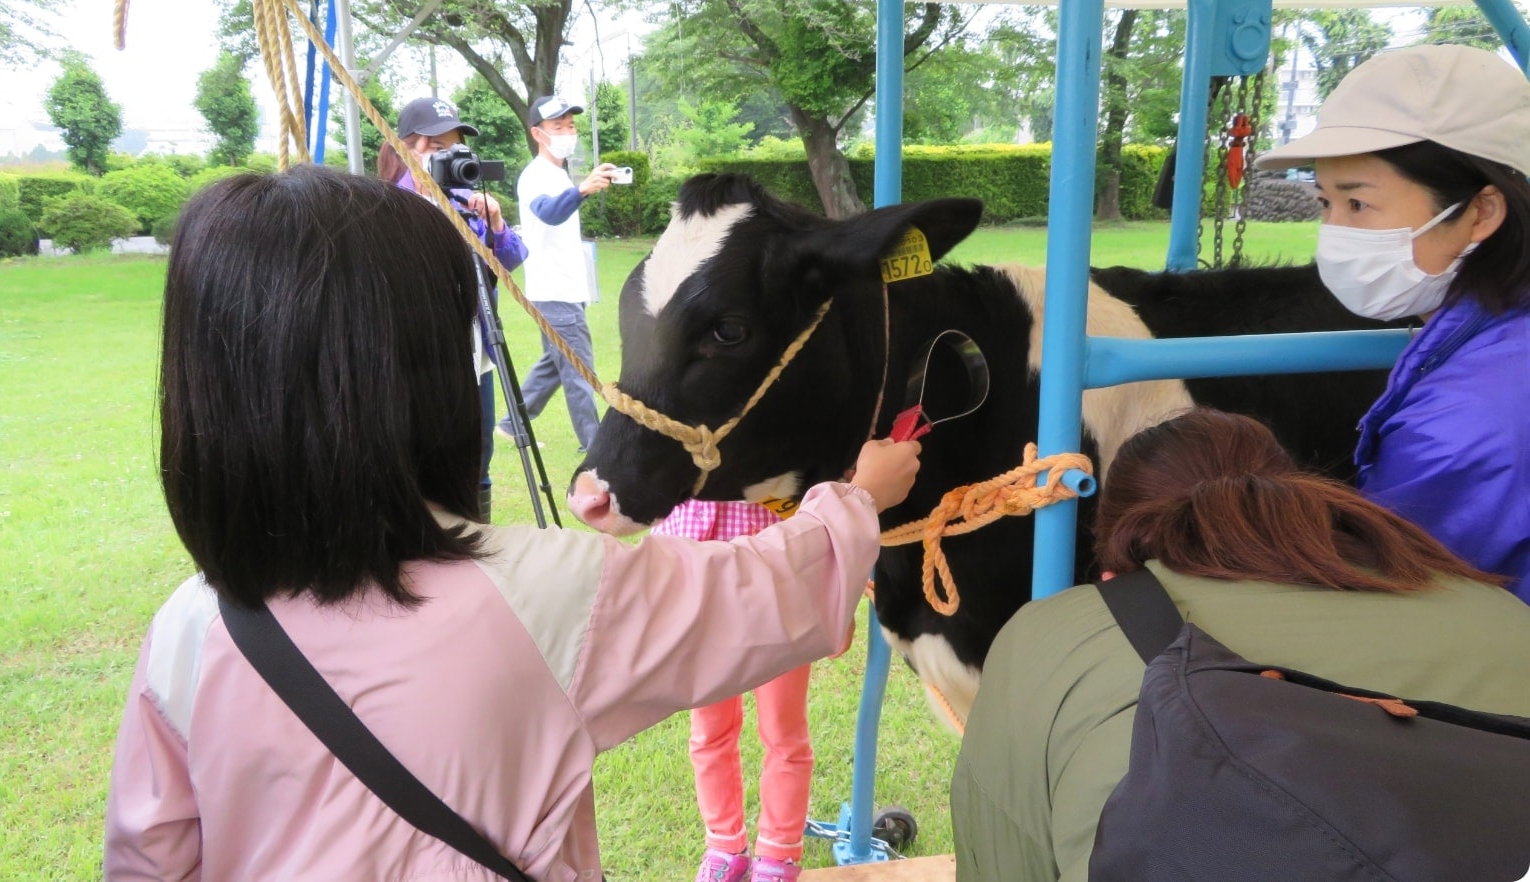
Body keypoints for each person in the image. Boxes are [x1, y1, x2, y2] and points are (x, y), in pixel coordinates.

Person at [102, 166, 923, 880]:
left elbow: (148, 861)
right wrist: (860, 498)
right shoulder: (548, 598)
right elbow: (766, 594)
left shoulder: (182, 637)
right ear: (430, 380)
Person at [950, 408, 1530, 882]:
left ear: (1117, 555)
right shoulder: (1501, 612)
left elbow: (1002, 858)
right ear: (1297, 498)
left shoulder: (1054, 636)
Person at [1255, 43, 1530, 599]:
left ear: (1481, 212)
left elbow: (1394, 596)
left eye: (1358, 205)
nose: (1334, 233)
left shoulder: (1462, 423)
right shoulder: (1495, 340)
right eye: (1324, 204)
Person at [651, 501, 820, 882]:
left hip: (779, 588)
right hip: (703, 588)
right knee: (710, 730)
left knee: (784, 732)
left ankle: (779, 853)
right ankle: (725, 845)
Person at [378, 97, 528, 523]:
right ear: (408, 147)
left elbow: (509, 261)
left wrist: (496, 223)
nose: (449, 157)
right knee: (422, 453)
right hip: (419, 360)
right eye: (437, 146)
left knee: (479, 452)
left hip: (476, 352)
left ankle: (477, 537)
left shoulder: (466, 201)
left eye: (456, 147)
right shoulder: (386, 206)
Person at [498, 94, 620, 453]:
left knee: (556, 361)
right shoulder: (536, 175)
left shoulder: (556, 173)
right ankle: (595, 444)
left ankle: (511, 424)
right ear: (538, 133)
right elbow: (549, 213)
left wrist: (577, 188)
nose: (567, 132)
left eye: (570, 126)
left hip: (564, 287)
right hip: (554, 290)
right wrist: (581, 190)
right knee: (580, 369)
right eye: (558, 127)